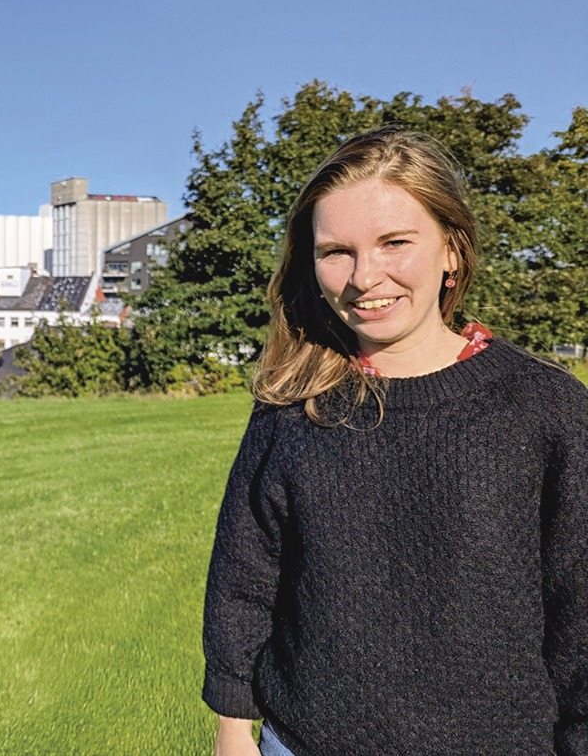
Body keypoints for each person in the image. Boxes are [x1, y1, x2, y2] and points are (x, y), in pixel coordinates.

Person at [201, 128, 588, 755]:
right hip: (302, 742)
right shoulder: (292, 404)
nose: (364, 276)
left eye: (395, 242)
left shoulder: (545, 406)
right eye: (336, 251)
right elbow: (244, 576)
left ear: (452, 250)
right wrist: (232, 727)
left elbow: (580, 606)